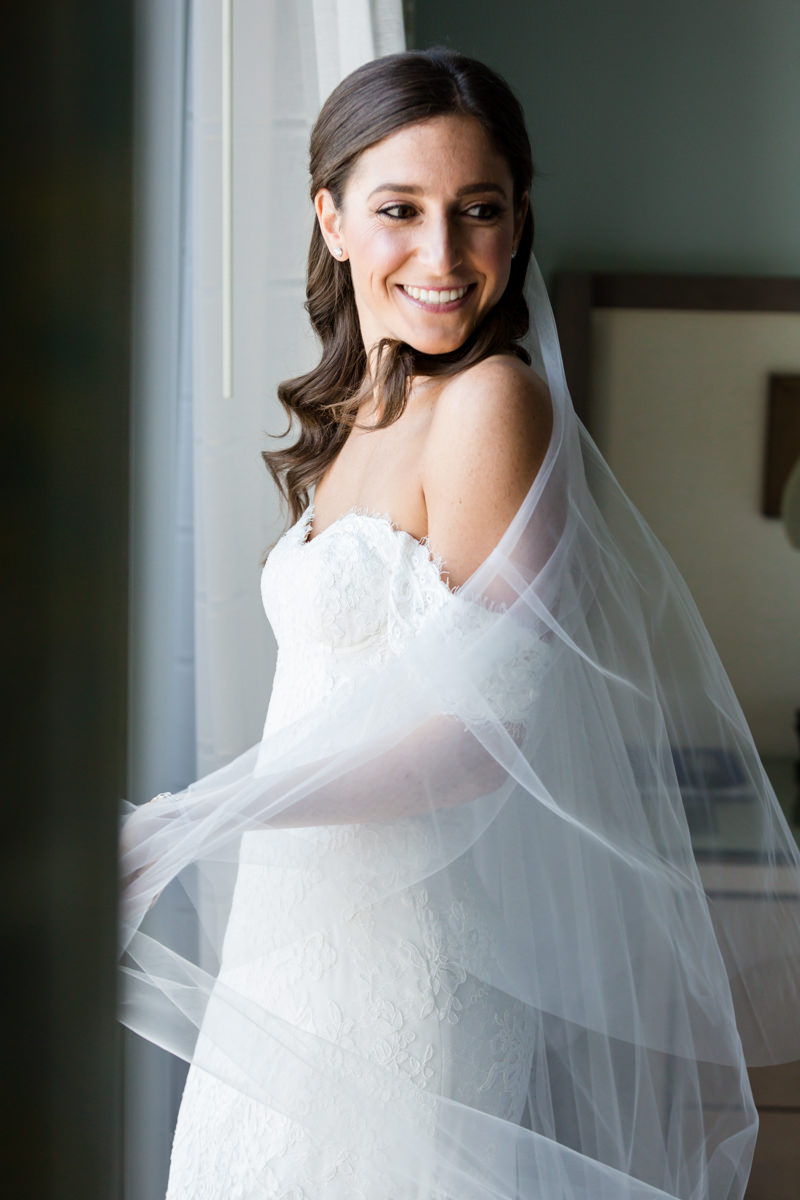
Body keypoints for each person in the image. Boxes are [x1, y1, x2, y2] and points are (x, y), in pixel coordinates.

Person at [120, 50, 800, 1200]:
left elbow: (478, 742)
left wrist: (200, 810)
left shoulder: (492, 402)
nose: (440, 257)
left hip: (405, 973)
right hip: (293, 951)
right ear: (330, 220)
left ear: (516, 222)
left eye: (476, 212)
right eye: (399, 211)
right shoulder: (360, 412)